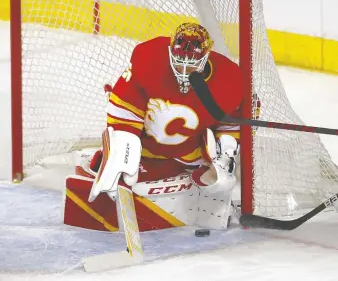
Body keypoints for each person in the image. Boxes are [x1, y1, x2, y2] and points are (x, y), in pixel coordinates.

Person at [63, 22, 244, 232]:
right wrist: (123, 143)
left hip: (187, 155)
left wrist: (226, 155)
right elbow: (125, 103)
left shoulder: (228, 78)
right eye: (178, 60)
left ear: (206, 56)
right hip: (144, 147)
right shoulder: (149, 59)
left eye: (192, 62)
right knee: (108, 169)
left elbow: (231, 121)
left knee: (215, 183)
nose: (184, 68)